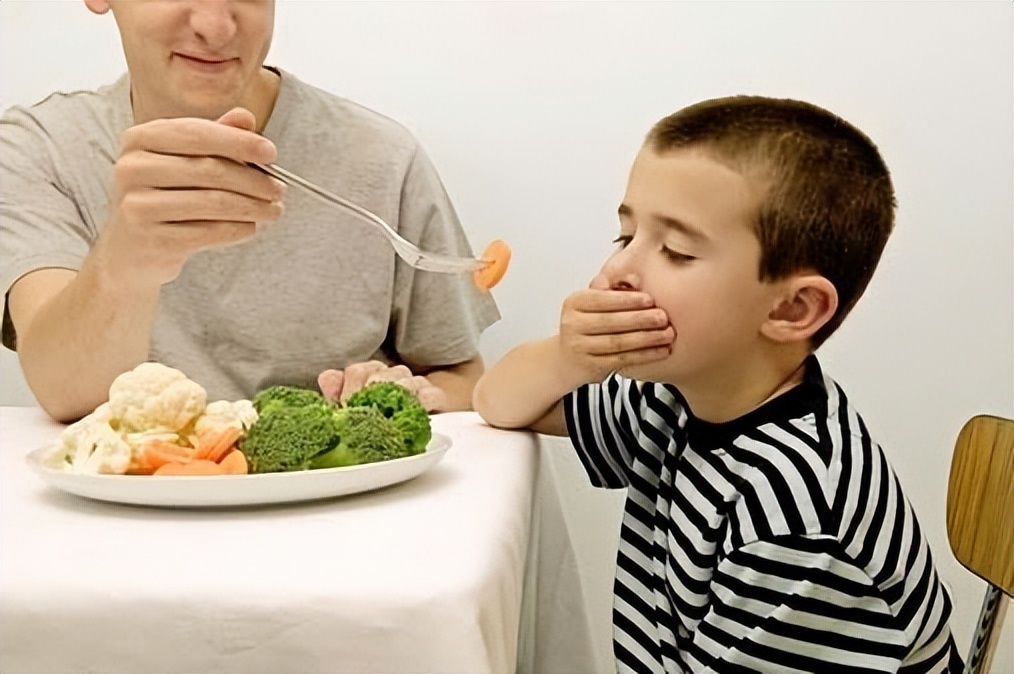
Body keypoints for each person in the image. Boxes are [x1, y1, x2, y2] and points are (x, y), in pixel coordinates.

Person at [473, 96, 962, 673]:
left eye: (676, 251)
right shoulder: (673, 399)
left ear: (793, 308)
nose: (617, 273)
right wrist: (569, 357)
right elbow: (500, 404)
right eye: (624, 237)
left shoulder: (797, 522)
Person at [0, 0, 498, 422]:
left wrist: (407, 399)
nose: (216, 27)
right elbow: (63, 392)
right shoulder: (40, 149)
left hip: (342, 515)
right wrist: (126, 261)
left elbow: (462, 379)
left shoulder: (382, 158)